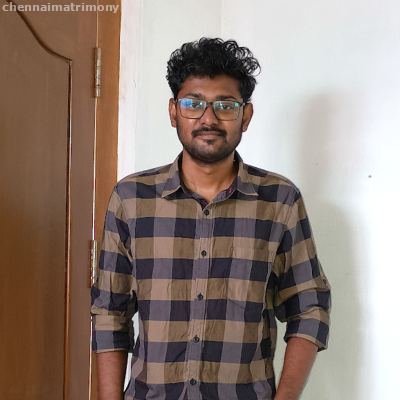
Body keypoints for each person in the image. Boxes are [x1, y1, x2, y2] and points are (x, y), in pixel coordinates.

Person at [91, 37, 331, 400]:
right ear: (173, 112)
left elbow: (310, 307)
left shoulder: (279, 201)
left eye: (225, 105)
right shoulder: (131, 199)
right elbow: (110, 312)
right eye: (193, 103)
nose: (208, 118)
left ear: (245, 116)